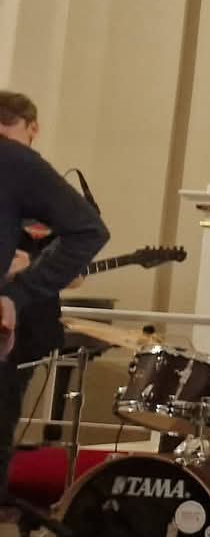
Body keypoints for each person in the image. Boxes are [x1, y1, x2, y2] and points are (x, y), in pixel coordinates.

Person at [0, 92, 107, 475]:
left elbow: (84, 237)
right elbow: (88, 232)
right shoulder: (19, 163)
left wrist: (23, 284)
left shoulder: (18, 165)